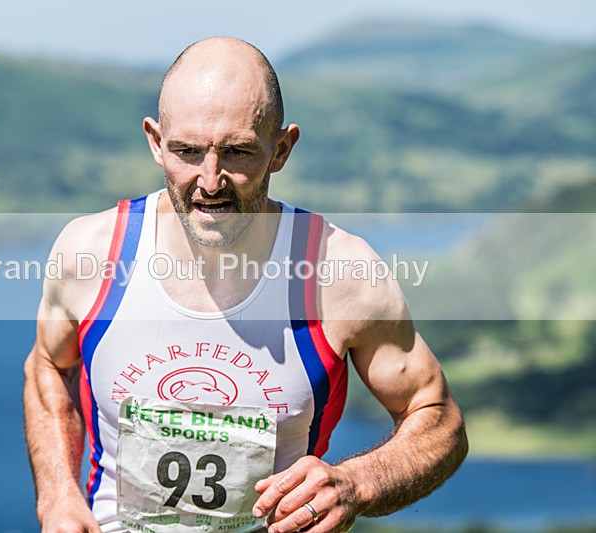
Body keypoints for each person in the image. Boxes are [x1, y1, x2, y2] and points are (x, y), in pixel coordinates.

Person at [23, 36, 468, 533]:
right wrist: (57, 497)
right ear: (155, 142)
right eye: (187, 151)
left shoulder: (339, 274)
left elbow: (439, 419)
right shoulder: (90, 253)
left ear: (281, 149)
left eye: (236, 152)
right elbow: (48, 366)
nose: (210, 181)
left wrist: (356, 483)